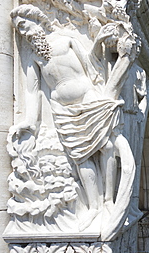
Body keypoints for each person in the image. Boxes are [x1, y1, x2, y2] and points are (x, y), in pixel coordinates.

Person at [10, 4, 137, 233]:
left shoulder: (65, 39)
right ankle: (93, 207)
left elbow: (92, 62)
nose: (24, 32)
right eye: (19, 30)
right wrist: (31, 120)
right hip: (62, 110)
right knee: (80, 157)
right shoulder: (32, 56)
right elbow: (33, 90)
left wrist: (98, 41)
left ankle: (108, 201)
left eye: (24, 25)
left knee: (105, 144)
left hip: (88, 98)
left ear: (38, 20)